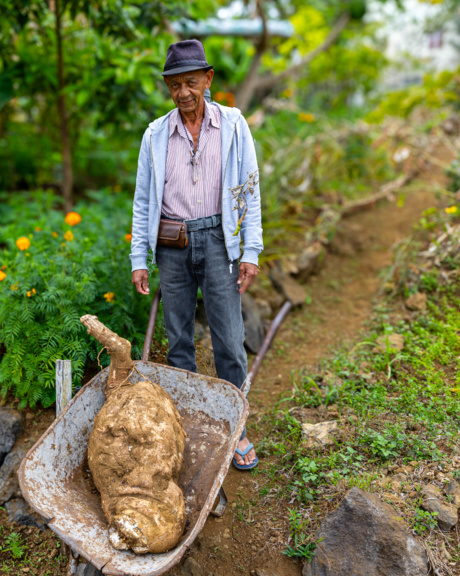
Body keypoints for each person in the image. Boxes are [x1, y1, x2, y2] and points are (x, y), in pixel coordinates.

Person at [129, 39, 263, 470]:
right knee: (179, 342)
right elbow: (143, 202)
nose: (183, 92)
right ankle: (184, 426)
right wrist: (138, 258)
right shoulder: (155, 134)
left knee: (229, 340)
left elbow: (249, 191)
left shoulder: (233, 125)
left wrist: (251, 249)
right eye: (174, 85)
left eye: (190, 82)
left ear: (208, 80)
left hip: (220, 240)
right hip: (172, 245)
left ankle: (236, 428)